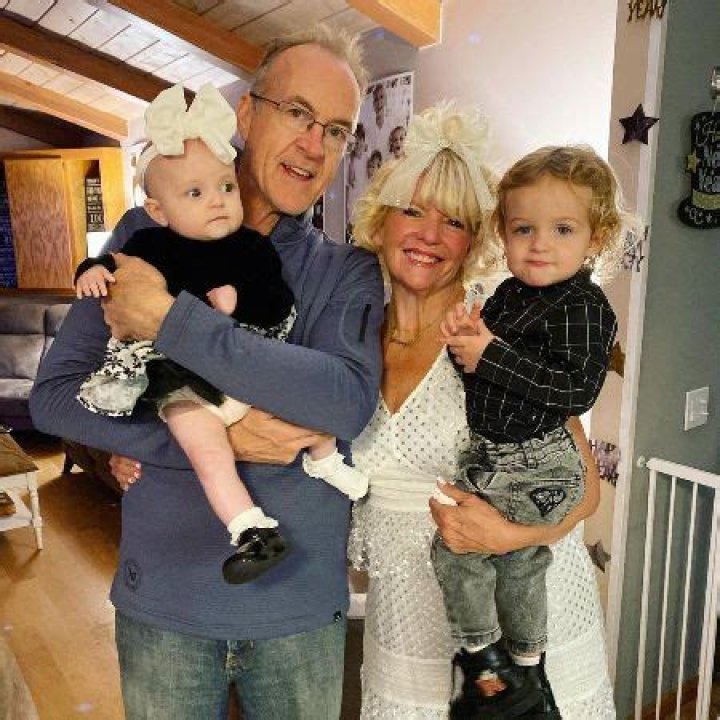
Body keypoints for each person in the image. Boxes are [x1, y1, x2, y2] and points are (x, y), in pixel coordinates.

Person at [30, 24, 385, 720]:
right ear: (246, 114)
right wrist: (210, 439)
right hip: (166, 605)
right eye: (298, 113)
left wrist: (170, 319)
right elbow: (55, 398)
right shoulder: (143, 239)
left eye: (337, 130)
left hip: (298, 613)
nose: (315, 145)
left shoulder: (347, 270)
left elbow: (345, 403)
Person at [348, 104, 617, 718]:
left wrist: (517, 536)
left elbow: (586, 489)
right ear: (381, 221)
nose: (429, 235)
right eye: (412, 211)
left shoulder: (499, 327)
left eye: (454, 221)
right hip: (405, 626)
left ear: (474, 239)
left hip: (524, 619)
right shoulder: (352, 332)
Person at [74, 83, 369, 586]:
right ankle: (251, 528)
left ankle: (325, 459)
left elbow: (278, 310)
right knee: (206, 449)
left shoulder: (254, 248)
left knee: (301, 394)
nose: (217, 202)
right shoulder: (146, 240)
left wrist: (223, 311)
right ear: (159, 210)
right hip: (180, 384)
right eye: (195, 193)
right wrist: (92, 270)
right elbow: (108, 272)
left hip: (245, 369)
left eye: (225, 188)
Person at [432, 145, 622, 717]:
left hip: (540, 458)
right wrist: (464, 344)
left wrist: (490, 354)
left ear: (595, 238)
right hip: (493, 454)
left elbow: (575, 391)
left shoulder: (584, 305)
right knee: (487, 558)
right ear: (504, 234)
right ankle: (518, 669)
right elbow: (477, 381)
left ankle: (496, 664)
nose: (540, 244)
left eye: (562, 229)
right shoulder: (509, 295)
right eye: (523, 229)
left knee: (491, 555)